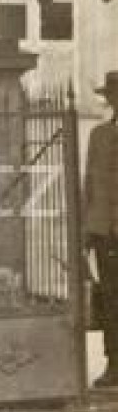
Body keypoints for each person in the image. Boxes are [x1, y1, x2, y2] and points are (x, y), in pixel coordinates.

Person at [84, 70, 118, 389]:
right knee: (110, 299)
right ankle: (115, 363)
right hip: (106, 233)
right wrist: (88, 230)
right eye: (113, 96)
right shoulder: (100, 136)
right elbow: (91, 184)